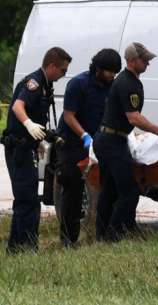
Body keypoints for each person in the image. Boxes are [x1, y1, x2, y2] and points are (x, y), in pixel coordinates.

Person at [93, 42, 158, 243]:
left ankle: (102, 236)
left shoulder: (129, 81)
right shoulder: (127, 83)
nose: (148, 63)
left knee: (109, 191)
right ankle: (113, 237)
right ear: (131, 61)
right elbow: (134, 118)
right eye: (144, 59)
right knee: (129, 192)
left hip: (108, 138)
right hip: (112, 141)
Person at [2, 47, 72, 254]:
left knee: (25, 199)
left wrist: (43, 137)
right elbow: (18, 107)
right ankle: (29, 249)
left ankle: (14, 251)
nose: (63, 75)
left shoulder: (46, 84)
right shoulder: (34, 82)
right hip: (18, 148)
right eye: (62, 70)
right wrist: (29, 125)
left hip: (27, 147)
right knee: (29, 200)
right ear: (52, 66)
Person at [56, 48, 122, 247]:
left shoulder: (112, 86)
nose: (113, 75)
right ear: (98, 68)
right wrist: (84, 136)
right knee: (73, 188)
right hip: (73, 142)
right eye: (110, 71)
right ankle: (68, 240)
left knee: (110, 186)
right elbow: (69, 116)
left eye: (115, 72)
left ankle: (106, 234)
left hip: (99, 141)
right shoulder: (78, 84)